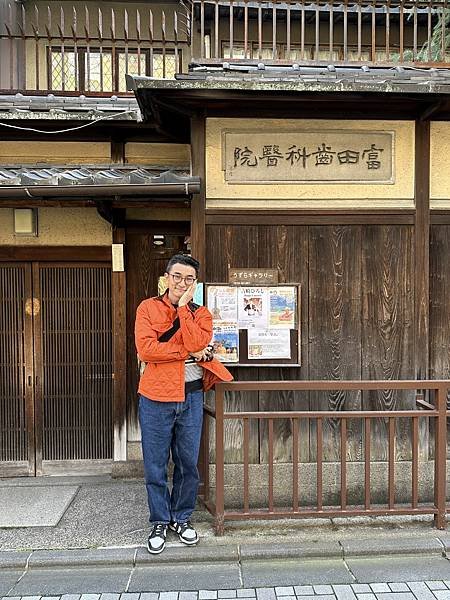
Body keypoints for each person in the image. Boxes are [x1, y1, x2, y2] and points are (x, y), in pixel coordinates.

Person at [135, 254, 233, 554]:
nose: (181, 283)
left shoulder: (200, 313)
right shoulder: (147, 308)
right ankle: (160, 521)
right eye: (176, 276)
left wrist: (181, 310)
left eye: (189, 279)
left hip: (191, 398)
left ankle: (181, 517)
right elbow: (146, 349)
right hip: (155, 397)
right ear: (166, 277)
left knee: (188, 464)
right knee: (155, 466)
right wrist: (187, 354)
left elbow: (194, 342)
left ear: (195, 283)